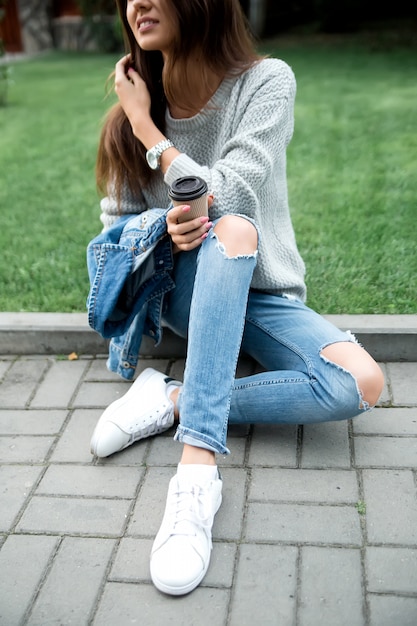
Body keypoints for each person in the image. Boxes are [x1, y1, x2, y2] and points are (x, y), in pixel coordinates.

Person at [89, 0, 384, 596]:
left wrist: (151, 134)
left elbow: (230, 192)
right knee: (232, 232)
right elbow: (112, 243)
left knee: (359, 383)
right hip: (183, 290)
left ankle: (173, 399)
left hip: (259, 293)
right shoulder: (128, 117)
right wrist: (160, 228)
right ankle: (195, 477)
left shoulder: (267, 83)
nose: (136, 3)